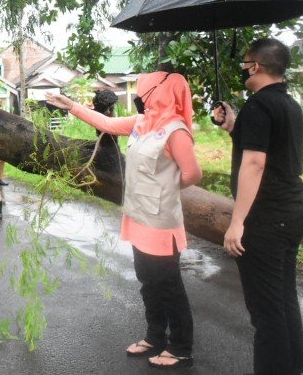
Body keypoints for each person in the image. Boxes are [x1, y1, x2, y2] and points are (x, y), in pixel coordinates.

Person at [46, 71, 202, 369]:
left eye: (144, 87)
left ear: (160, 91)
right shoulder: (143, 122)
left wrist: (165, 187)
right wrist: (71, 106)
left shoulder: (176, 131)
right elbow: (106, 124)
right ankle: (155, 337)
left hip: (160, 222)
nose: (139, 92)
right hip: (137, 216)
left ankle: (181, 347)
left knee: (169, 286)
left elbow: (193, 173)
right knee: (148, 282)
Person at [212, 38, 303, 375]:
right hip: (293, 211)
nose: (242, 67)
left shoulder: (258, 106)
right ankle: (292, 366)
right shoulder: (288, 104)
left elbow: (254, 164)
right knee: (283, 299)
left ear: (255, 66)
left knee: (266, 312)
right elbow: (266, 147)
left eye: (244, 62)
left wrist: (237, 221)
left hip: (266, 219)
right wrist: (231, 127)